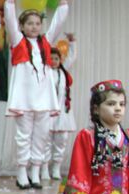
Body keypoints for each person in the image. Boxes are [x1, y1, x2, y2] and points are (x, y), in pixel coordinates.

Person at [4, 0, 68, 189]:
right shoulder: (18, 40)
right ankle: (22, 172)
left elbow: (58, 22)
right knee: (23, 136)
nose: (34, 27)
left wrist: (63, 5)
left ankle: (35, 172)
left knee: (41, 136)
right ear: (22, 26)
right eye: (29, 23)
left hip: (44, 99)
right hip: (24, 99)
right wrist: (9, 4)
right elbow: (9, 19)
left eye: (37, 23)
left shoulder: (46, 42)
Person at [42, 33, 77, 180]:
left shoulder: (63, 72)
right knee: (45, 141)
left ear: (60, 60)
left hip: (63, 112)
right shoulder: (44, 72)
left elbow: (72, 57)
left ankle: (56, 167)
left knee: (61, 140)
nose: (54, 61)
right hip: (47, 112)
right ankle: (43, 168)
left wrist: (72, 42)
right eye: (51, 58)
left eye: (56, 58)